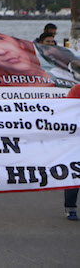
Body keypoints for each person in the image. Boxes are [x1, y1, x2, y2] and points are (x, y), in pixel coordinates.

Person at [64, 84, 80, 220]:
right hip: (77, 139)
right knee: (75, 173)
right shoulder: (77, 89)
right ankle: (70, 207)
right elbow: (68, 111)